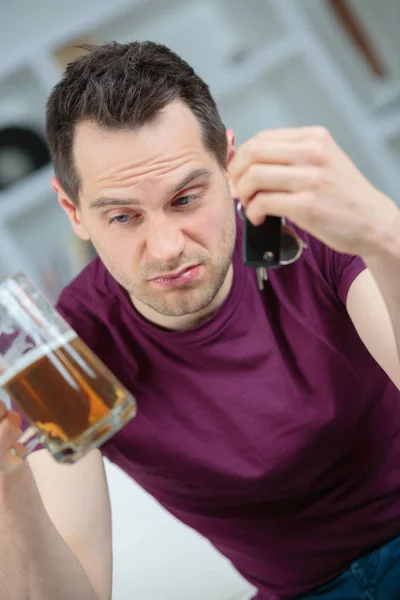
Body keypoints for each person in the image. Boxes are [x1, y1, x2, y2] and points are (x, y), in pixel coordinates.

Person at [1, 40, 400, 600]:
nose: (166, 248)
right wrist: (7, 479)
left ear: (228, 166)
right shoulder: (70, 349)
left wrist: (387, 234)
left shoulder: (306, 230)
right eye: (123, 215)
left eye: (186, 198)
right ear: (74, 212)